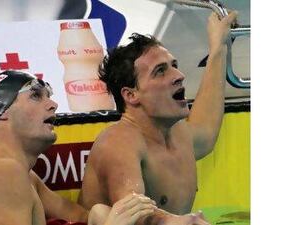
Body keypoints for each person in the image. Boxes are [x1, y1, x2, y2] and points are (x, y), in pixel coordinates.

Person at [78, 11, 238, 225]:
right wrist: (186, 222)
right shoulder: (118, 143)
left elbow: (206, 131)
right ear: (131, 94)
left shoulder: (177, 132)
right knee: (100, 212)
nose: (179, 75)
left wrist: (218, 47)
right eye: (160, 71)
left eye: (174, 65)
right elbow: (135, 216)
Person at [0, 70, 158, 225]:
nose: (53, 104)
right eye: (36, 95)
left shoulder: (22, 176)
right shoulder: (2, 173)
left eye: (49, 96)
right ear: (2, 112)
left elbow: (83, 217)